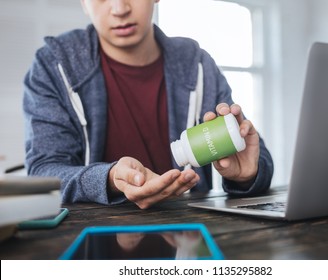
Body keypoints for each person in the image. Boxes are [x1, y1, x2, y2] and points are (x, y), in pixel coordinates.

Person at [23, 0, 273, 209]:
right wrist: (108, 179)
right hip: (93, 243)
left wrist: (247, 176)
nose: (119, 8)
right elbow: (44, 174)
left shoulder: (196, 64)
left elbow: (257, 159)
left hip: (190, 239)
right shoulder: (54, 65)